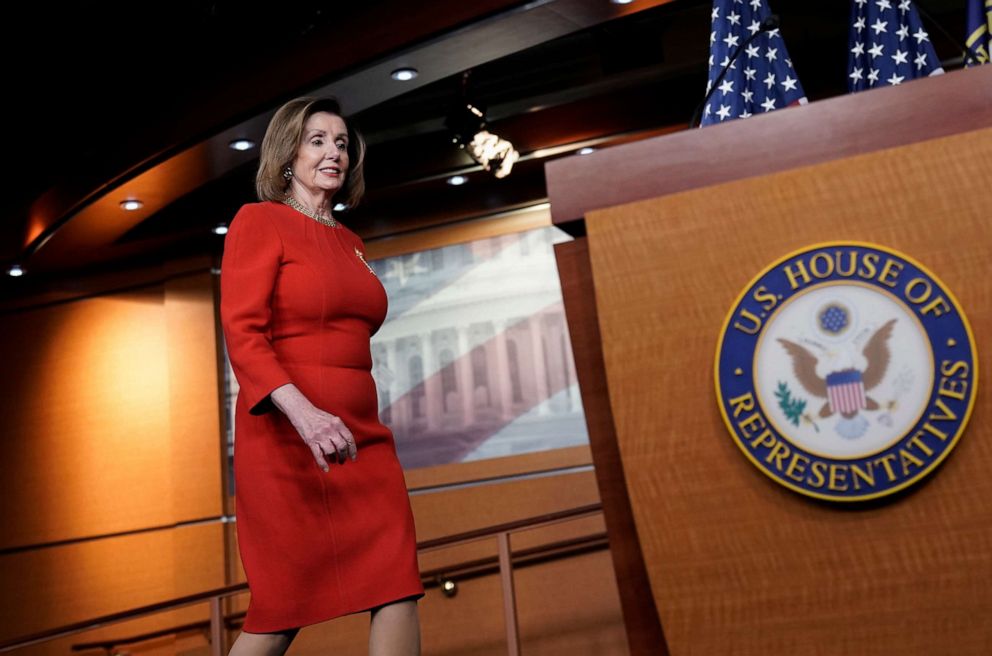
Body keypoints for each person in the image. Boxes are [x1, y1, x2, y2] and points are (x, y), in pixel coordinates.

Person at [220, 97, 424, 656]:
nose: (333, 151)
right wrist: (306, 415)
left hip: (362, 438)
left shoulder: (350, 243)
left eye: (341, 142)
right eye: (317, 140)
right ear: (288, 154)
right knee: (281, 608)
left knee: (397, 580)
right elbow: (244, 334)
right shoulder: (258, 222)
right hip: (289, 438)